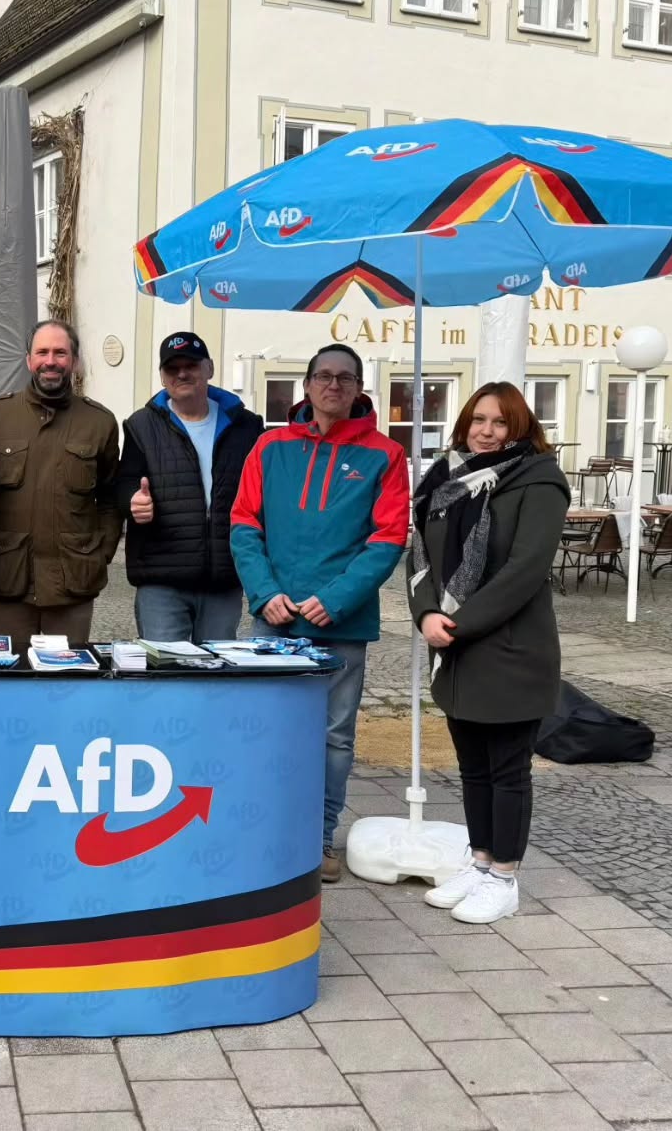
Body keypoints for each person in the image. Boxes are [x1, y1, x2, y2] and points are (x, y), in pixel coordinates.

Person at [230, 343, 409, 884]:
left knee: (334, 737)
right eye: (324, 376)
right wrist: (264, 594)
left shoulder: (385, 455)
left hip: (342, 624)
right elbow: (244, 525)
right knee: (268, 729)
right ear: (305, 386)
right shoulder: (268, 448)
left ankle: (320, 838)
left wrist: (335, 599)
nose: (334, 385)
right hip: (274, 619)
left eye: (346, 378)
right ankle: (266, 832)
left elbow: (388, 538)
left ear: (359, 389)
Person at [405, 382, 569, 924]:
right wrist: (427, 613)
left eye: (500, 422)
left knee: (507, 769)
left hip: (509, 647)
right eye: (479, 419)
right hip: (455, 649)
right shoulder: (448, 480)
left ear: (520, 427)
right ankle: (479, 863)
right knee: (472, 767)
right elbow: (422, 556)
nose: (487, 430)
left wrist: (458, 622)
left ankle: (505, 876)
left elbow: (525, 569)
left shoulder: (539, 481)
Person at [0, 320, 122, 650]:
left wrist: (100, 555)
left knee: (65, 685)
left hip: (74, 581)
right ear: (29, 360)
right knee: (10, 681)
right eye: (42, 352)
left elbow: (110, 500)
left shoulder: (99, 422)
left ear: (75, 361)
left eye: (60, 352)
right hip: (6, 577)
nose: (50, 361)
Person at [117, 332, 263, 642]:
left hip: (223, 576)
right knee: (167, 676)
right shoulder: (141, 425)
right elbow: (124, 481)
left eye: (191, 365)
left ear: (209, 368)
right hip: (162, 576)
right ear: (162, 376)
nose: (182, 373)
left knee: (216, 680)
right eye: (172, 368)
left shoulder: (246, 426)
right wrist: (132, 501)